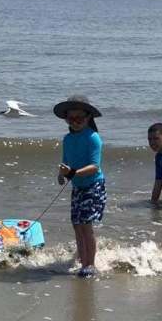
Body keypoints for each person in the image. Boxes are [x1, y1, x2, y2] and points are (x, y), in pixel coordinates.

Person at [54, 96, 106, 277]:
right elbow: (65, 162)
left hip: (93, 185)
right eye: (71, 119)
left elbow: (94, 166)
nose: (75, 122)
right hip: (77, 187)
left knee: (86, 225)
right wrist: (62, 174)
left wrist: (73, 173)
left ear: (88, 117)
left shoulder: (93, 138)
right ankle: (82, 259)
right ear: (66, 119)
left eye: (79, 118)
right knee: (76, 224)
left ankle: (90, 264)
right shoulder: (67, 139)